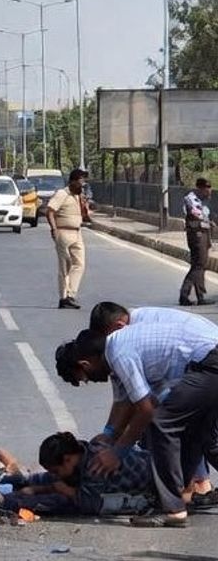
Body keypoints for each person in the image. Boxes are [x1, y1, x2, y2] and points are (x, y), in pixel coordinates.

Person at [55, 311, 218, 527]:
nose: (91, 382)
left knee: (162, 423)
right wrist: (110, 436)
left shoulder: (118, 354)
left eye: (85, 378)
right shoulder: (116, 346)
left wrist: (117, 452)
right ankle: (175, 494)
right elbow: (128, 400)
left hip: (209, 361)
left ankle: (173, 509)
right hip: (206, 361)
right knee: (202, 433)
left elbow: (146, 409)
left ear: (85, 364)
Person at [0, 432, 155, 517]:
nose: (55, 474)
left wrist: (64, 490)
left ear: (68, 458)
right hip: (142, 467)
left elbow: (91, 505)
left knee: (58, 501)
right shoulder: (81, 455)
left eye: (56, 469)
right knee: (32, 483)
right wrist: (32, 485)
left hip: (138, 490)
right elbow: (52, 478)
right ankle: (2, 478)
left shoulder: (95, 466)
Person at [47, 168, 89, 309]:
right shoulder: (62, 194)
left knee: (80, 264)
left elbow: (84, 214)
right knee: (65, 266)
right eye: (80, 181)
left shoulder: (78, 196)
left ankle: (70, 294)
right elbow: (50, 212)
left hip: (77, 233)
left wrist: (85, 206)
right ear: (72, 181)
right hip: (63, 233)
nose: (82, 184)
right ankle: (64, 297)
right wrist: (53, 229)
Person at [179, 177, 215, 307]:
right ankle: (184, 295)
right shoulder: (191, 198)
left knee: (202, 265)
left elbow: (205, 216)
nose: (209, 192)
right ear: (200, 188)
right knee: (198, 265)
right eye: (207, 189)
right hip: (197, 234)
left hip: (204, 234)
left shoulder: (202, 200)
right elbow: (196, 214)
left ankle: (201, 296)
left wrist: (210, 222)